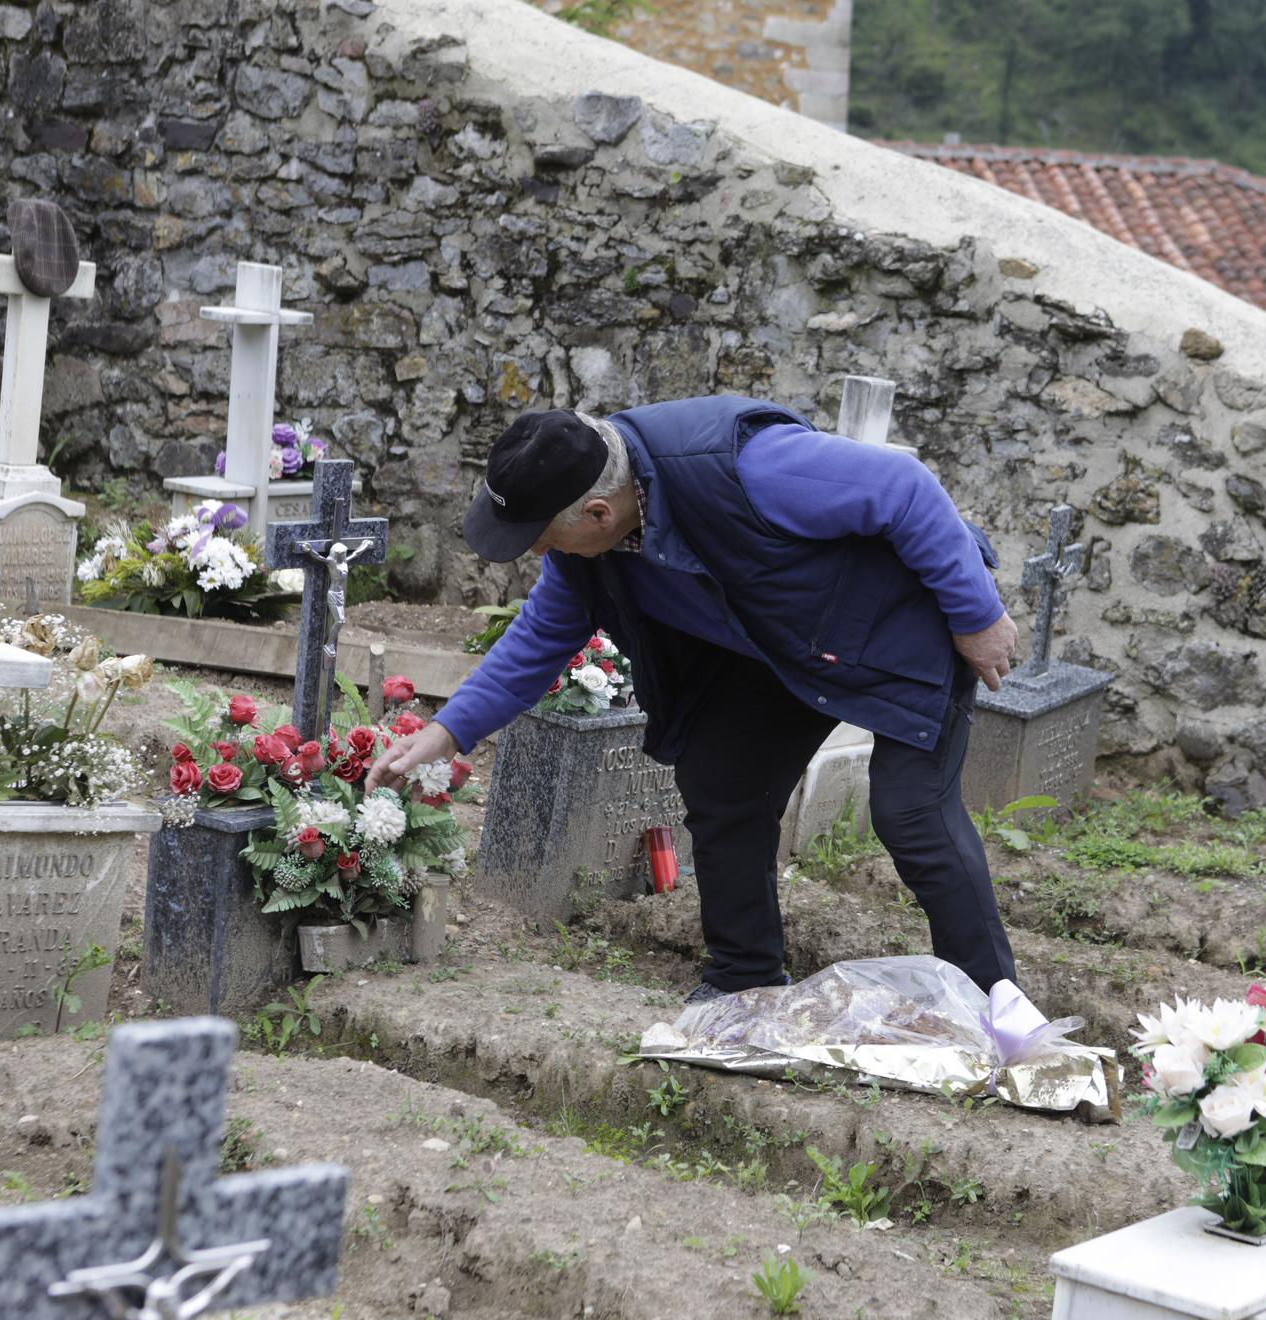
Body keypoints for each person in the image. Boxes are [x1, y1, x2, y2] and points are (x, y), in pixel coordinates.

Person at [366, 396, 1020, 1001]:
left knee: (912, 813)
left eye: (539, 537)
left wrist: (976, 615)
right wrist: (448, 730)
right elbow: (539, 637)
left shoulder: (746, 466)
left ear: (598, 514)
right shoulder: (590, 547)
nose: (536, 552)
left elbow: (904, 489)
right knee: (722, 776)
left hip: (900, 624)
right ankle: (746, 980)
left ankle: (993, 1007)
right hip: (784, 646)